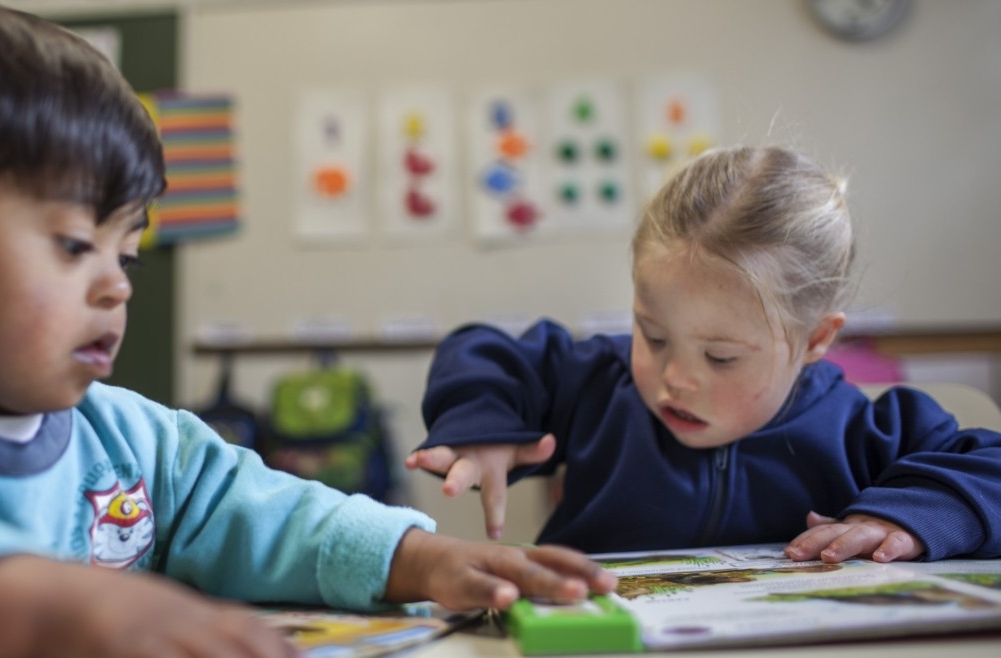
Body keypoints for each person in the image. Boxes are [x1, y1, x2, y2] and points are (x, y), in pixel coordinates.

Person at [0, 3, 615, 657]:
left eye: (128, 255)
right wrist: (42, 608)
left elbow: (266, 511)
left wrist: (423, 557)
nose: (113, 285)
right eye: (74, 245)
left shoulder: (133, 440)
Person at [406, 145, 1001, 565]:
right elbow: (484, 353)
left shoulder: (866, 428)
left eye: (721, 357)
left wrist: (905, 517)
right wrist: (484, 426)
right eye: (653, 336)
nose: (675, 378)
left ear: (816, 340)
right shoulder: (598, 382)